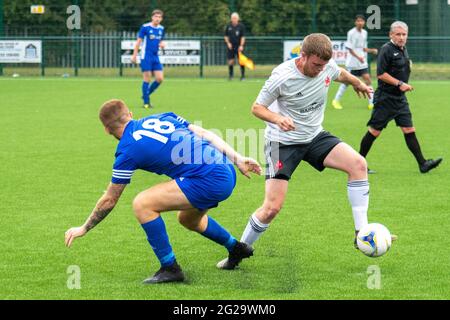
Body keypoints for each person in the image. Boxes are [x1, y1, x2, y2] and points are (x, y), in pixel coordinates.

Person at [217, 33, 386, 270]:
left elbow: (339, 73)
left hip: (314, 136)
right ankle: (237, 252)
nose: (320, 70)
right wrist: (277, 118)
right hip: (282, 142)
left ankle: (360, 233)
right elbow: (257, 108)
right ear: (303, 56)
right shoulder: (282, 76)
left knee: (358, 164)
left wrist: (357, 82)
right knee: (271, 208)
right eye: (316, 64)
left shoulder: (326, 67)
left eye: (324, 65)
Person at [64, 99, 261, 284]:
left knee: (142, 204)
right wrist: (238, 159)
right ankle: (236, 248)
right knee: (188, 219)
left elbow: (110, 199)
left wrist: (84, 228)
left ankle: (170, 268)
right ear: (130, 114)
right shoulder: (162, 116)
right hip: (226, 169)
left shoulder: (126, 150)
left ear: (106, 130)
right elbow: (204, 134)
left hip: (208, 179)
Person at [358, 21, 442, 174]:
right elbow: (381, 74)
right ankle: (358, 163)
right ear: (391, 35)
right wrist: (400, 83)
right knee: (374, 131)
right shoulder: (386, 50)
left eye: (404, 34)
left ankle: (422, 164)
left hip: (400, 99)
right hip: (385, 99)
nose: (401, 37)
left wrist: (402, 85)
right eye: (398, 34)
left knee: (409, 129)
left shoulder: (403, 49)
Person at [332, 14, 378, 110]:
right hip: (352, 62)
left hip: (362, 62)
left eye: (362, 21)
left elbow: (363, 48)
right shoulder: (351, 33)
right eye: (358, 21)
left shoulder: (365, 33)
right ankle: (336, 100)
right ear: (355, 22)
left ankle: (372, 103)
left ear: (364, 22)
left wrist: (371, 50)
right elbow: (350, 49)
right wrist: (358, 57)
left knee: (368, 80)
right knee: (346, 82)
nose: (360, 23)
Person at [131, 9, 165, 109]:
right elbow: (138, 42)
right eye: (156, 17)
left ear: (161, 19)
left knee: (159, 79)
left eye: (159, 17)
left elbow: (159, 41)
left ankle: (145, 94)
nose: (157, 19)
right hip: (145, 56)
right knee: (147, 78)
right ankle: (146, 103)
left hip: (155, 56)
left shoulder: (161, 29)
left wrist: (162, 44)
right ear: (152, 17)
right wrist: (134, 55)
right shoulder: (145, 27)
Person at [224, 12, 246, 81]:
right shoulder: (228, 26)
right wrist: (228, 43)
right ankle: (231, 76)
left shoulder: (241, 26)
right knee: (230, 61)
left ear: (238, 19)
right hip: (231, 47)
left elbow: (243, 37)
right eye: (233, 18)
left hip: (239, 47)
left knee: (241, 61)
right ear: (231, 19)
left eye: (235, 18)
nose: (234, 19)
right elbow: (225, 36)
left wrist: (241, 45)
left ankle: (242, 76)